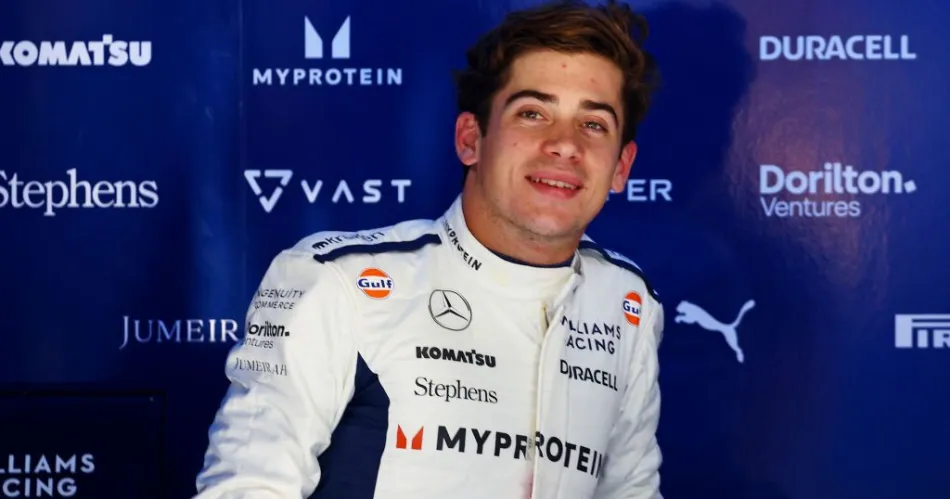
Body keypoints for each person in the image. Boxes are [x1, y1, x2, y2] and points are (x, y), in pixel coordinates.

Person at [194, 0, 663, 497]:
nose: (565, 144)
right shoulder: (337, 282)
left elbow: (630, 492)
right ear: (470, 139)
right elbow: (245, 488)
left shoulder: (626, 303)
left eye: (593, 124)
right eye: (532, 114)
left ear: (621, 167)